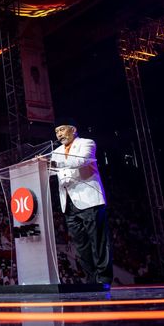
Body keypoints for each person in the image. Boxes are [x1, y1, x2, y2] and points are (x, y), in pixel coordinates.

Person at [48, 119, 112, 285]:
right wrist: (38, 166)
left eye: (62, 130)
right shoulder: (56, 151)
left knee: (98, 241)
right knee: (80, 244)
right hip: (68, 203)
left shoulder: (87, 143)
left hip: (89, 200)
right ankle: (91, 279)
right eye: (56, 132)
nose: (59, 134)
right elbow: (53, 170)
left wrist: (53, 163)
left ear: (73, 130)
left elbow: (81, 161)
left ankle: (103, 278)